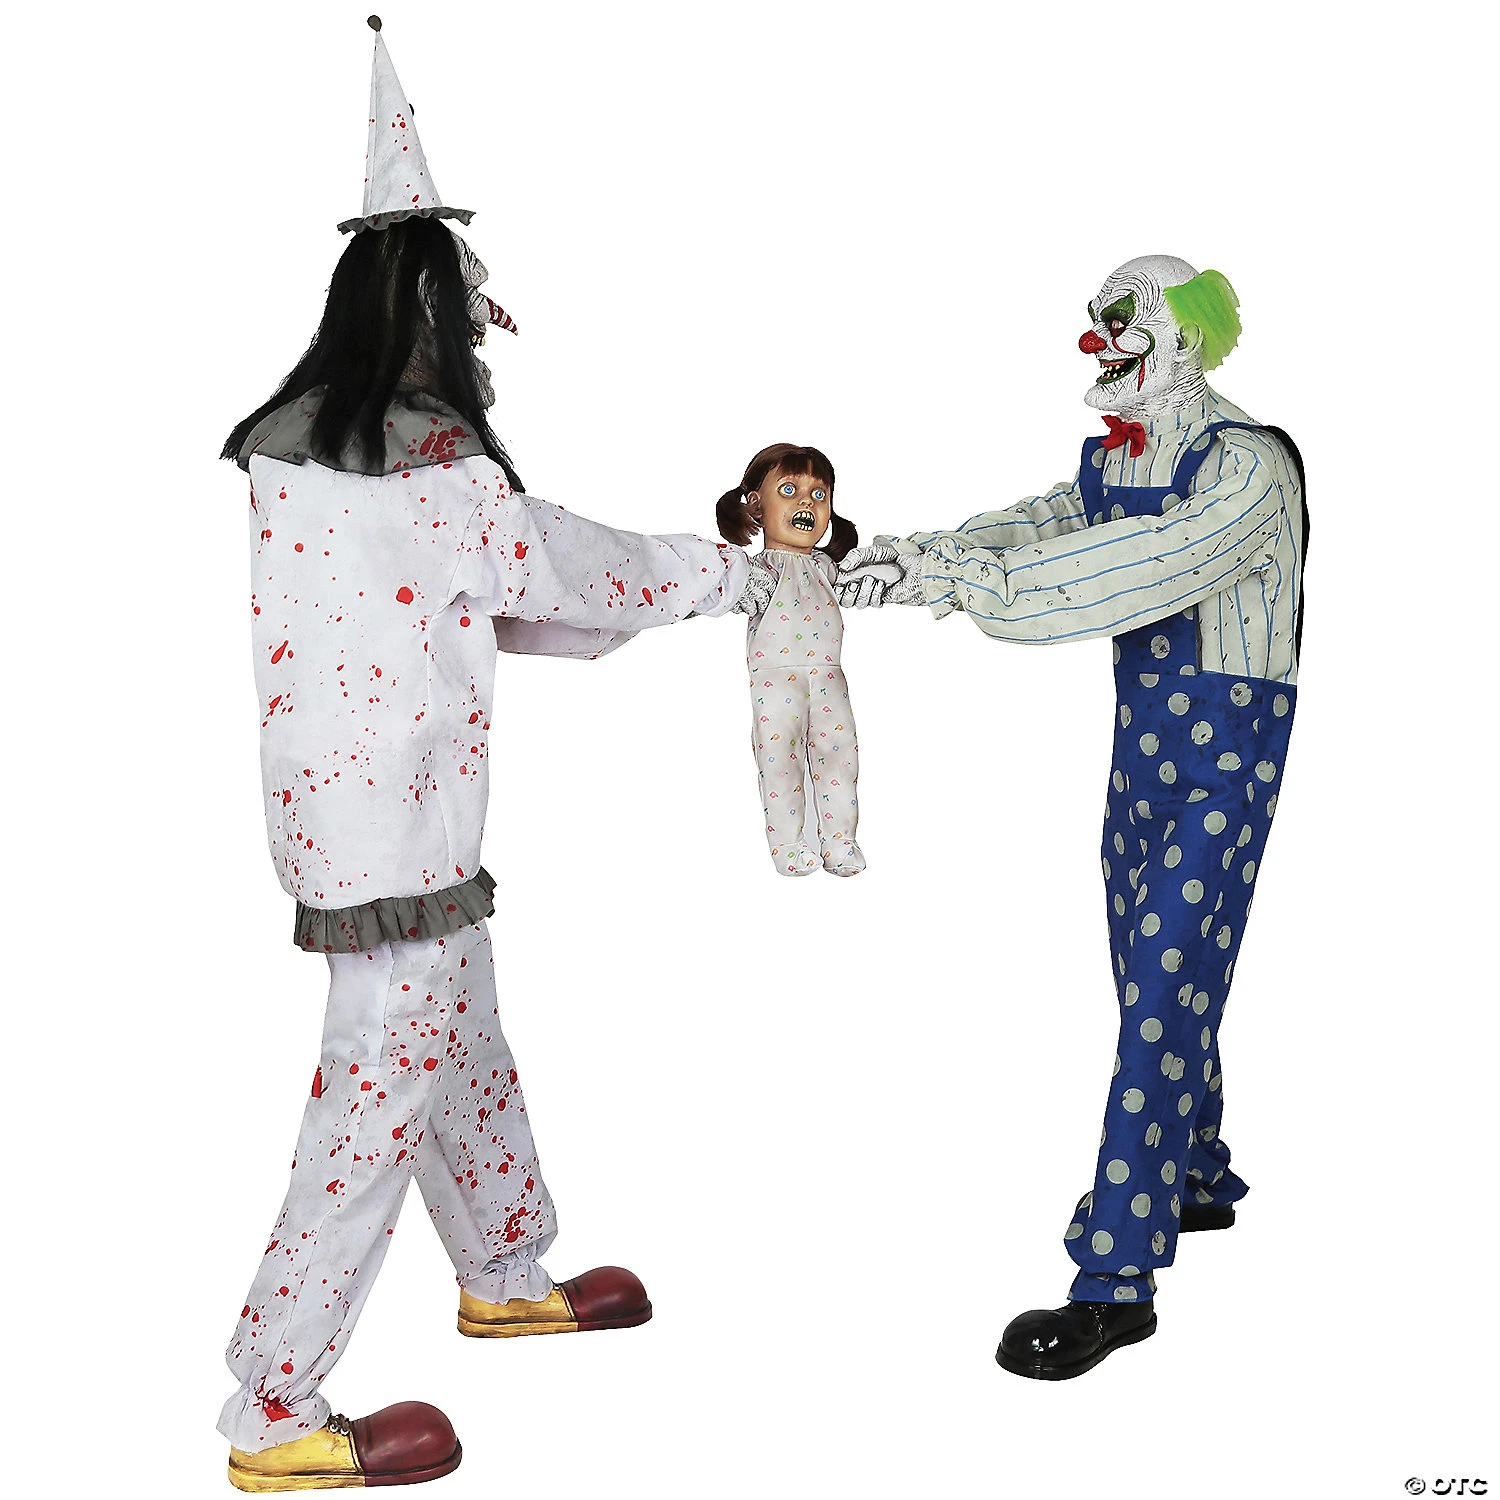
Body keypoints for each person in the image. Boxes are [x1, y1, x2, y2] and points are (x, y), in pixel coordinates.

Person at [217, 21, 766, 1490]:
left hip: (366, 821)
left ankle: (507, 1271)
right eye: (470, 307)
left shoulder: (294, 452)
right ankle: (274, 1405)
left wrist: (654, 595)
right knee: (373, 1099)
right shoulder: (431, 466)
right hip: (394, 834)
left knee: (459, 1038)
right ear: (432, 313)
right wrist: (730, 576)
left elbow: (490, 605)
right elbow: (554, 575)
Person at [837, 255, 1306, 1380]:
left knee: (1161, 988)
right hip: (1142, 752)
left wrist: (963, 587)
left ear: (1183, 338)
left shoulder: (1247, 467)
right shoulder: (1125, 456)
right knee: (1150, 966)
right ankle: (1194, 1171)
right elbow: (1049, 523)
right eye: (1097, 319)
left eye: (1123, 319)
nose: (1099, 339)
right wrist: (919, 556)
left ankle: (1115, 1277)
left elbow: (1135, 564)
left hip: (1226, 762)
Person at [716, 444, 864, 876]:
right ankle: (788, 845)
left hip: (830, 678)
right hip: (776, 681)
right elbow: (723, 587)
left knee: (840, 758)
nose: (806, 502)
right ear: (756, 505)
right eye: (789, 490)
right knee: (779, 762)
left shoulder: (828, 569)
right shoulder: (756, 571)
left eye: (819, 495)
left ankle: (840, 842)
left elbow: (869, 579)